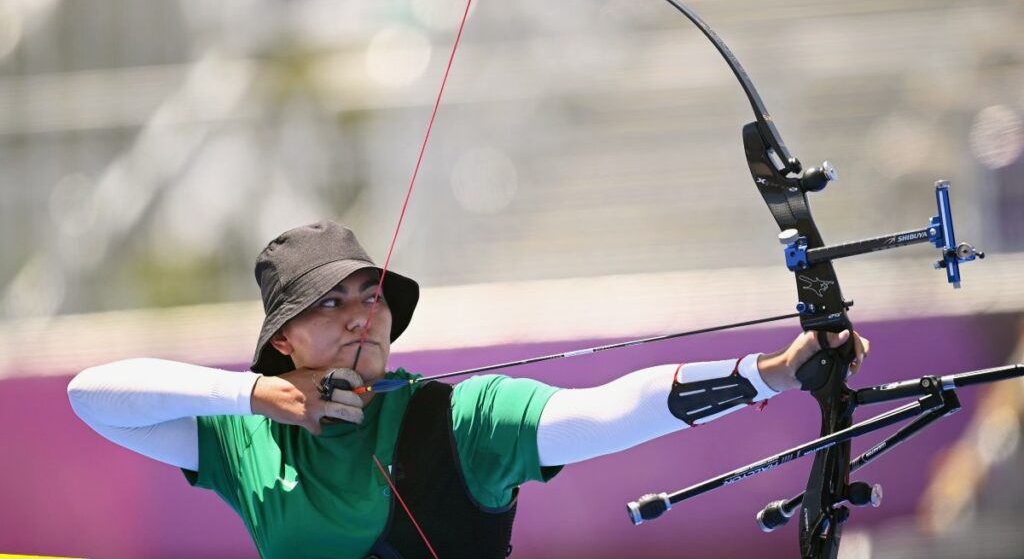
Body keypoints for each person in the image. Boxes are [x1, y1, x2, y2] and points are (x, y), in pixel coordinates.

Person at [67, 220, 869, 559]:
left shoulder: (459, 414)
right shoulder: (242, 438)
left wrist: (768, 375)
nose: (359, 316)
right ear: (282, 341)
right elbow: (92, 396)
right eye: (328, 303)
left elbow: (602, 411)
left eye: (368, 293)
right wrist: (256, 398)